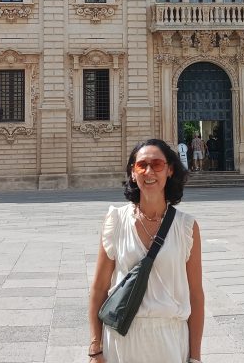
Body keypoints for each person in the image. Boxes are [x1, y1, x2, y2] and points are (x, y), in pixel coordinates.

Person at [87, 139, 204, 363]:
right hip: (122, 339)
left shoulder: (187, 227)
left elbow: (196, 295)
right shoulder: (116, 221)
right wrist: (95, 347)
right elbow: (99, 288)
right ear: (133, 173)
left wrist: (196, 357)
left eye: (157, 164)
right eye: (142, 165)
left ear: (170, 170)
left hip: (169, 340)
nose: (149, 171)